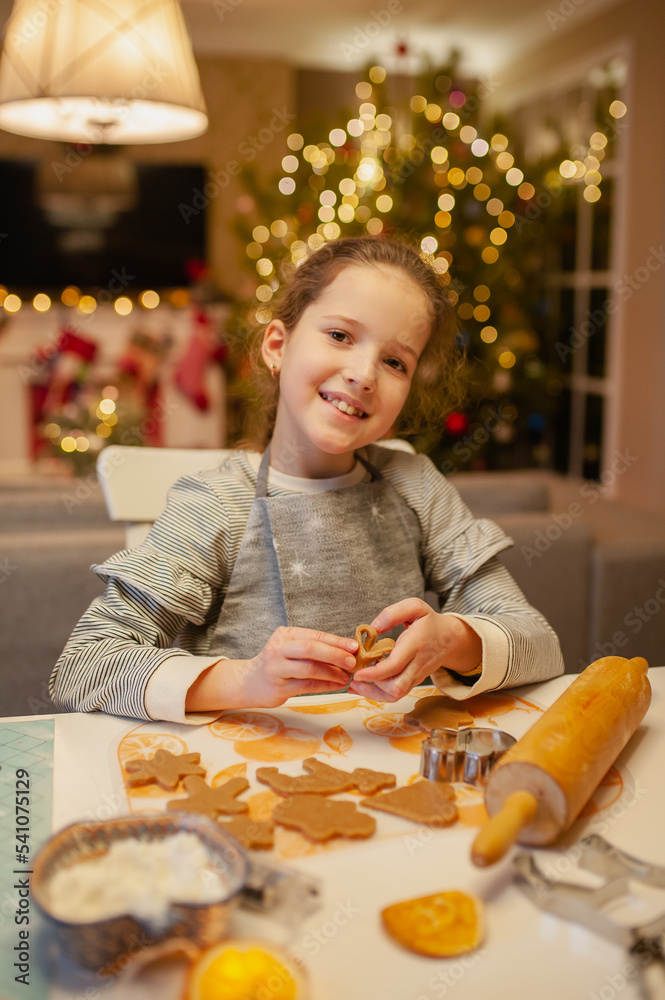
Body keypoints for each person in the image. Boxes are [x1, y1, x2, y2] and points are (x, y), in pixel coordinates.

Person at [50, 236, 563, 723]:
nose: (364, 374)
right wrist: (247, 680)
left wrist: (454, 637)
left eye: (394, 361)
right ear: (277, 345)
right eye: (340, 336)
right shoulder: (217, 503)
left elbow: (540, 644)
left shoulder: (416, 484)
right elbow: (84, 666)